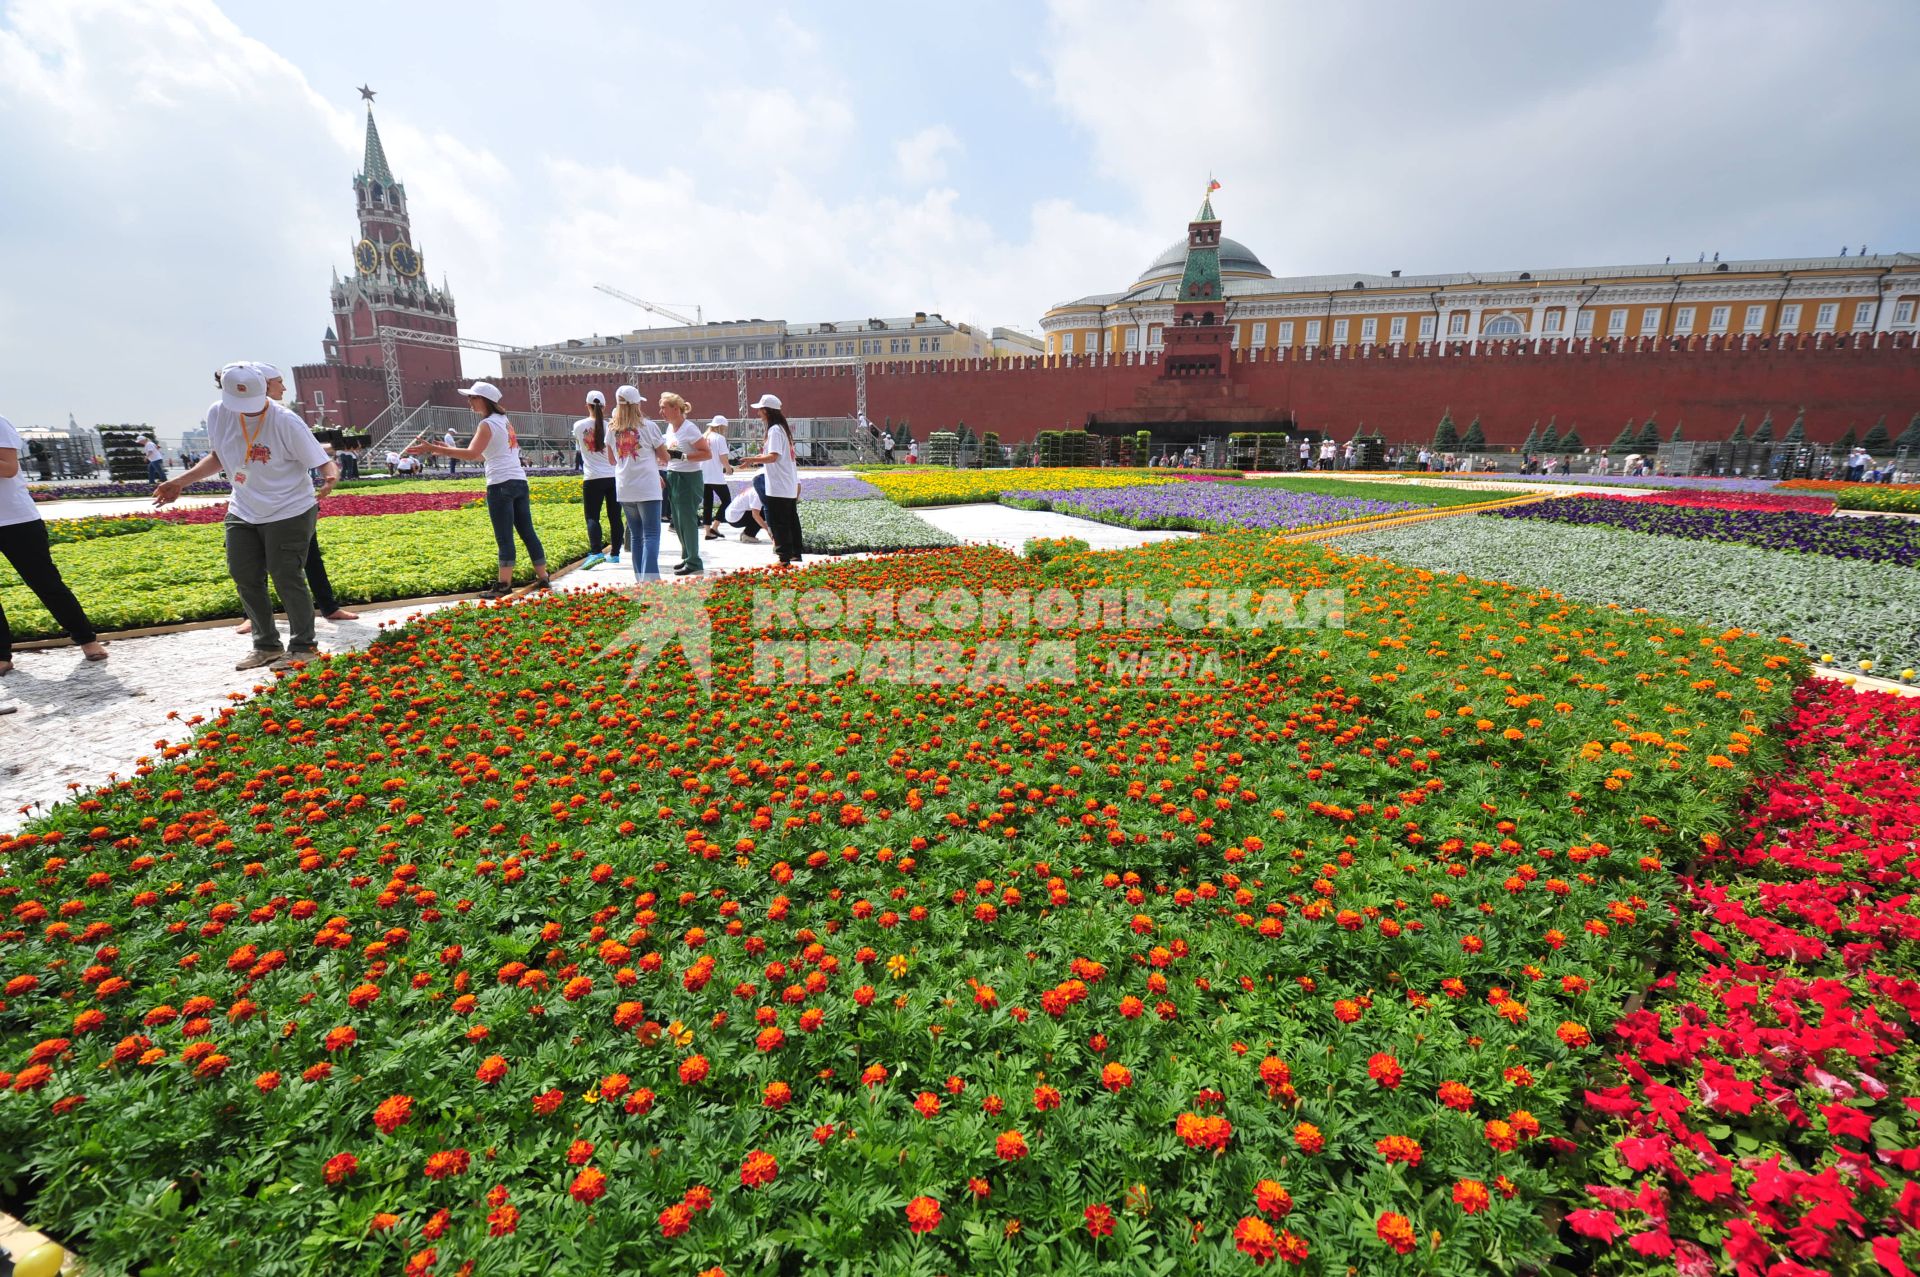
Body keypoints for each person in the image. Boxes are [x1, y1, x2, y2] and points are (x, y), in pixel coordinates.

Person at [157, 364, 337, 670]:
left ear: (264, 389)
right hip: (243, 507)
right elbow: (219, 456)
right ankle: (265, 645)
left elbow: (321, 460)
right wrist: (180, 481)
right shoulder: (219, 413)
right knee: (243, 574)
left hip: (290, 508)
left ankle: (303, 646)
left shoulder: (286, 420)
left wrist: (330, 479)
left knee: (285, 574)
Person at [224, 365, 359, 637]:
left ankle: (328, 606)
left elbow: (304, 449)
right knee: (251, 564)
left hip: (292, 504)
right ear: (262, 385)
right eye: (278, 382)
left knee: (308, 557)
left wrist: (330, 462)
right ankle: (252, 617)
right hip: (249, 502)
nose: (283, 388)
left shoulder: (284, 417)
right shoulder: (230, 415)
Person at [405, 381, 549, 599]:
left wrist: (433, 448)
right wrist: (446, 451)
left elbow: (473, 455)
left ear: (484, 400)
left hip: (500, 484)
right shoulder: (504, 421)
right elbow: (483, 454)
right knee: (527, 531)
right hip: (519, 481)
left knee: (504, 536)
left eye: (472, 397)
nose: (469, 402)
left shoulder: (487, 424)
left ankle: (503, 584)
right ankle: (543, 576)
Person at [0, 410, 109, 681]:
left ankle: (86, 639)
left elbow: (8, 467)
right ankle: (2, 655)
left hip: (16, 519)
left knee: (46, 583)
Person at [607, 385, 666, 582]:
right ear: (637, 404)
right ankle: (650, 580)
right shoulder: (648, 426)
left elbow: (612, 460)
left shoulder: (612, 428)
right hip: (647, 487)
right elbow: (664, 457)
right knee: (651, 534)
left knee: (636, 535)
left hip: (625, 487)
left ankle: (640, 579)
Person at [736, 393, 802, 566]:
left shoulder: (774, 431)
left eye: (760, 410)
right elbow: (772, 456)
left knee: (779, 522)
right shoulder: (782, 429)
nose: (758, 413)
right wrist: (754, 460)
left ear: (766, 411)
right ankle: (795, 553)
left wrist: (752, 459)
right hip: (787, 483)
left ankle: (783, 558)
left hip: (778, 485)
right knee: (790, 520)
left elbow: (772, 457)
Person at [657, 393, 710, 575]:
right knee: (678, 521)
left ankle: (694, 562)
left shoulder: (690, 429)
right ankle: (687, 556)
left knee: (687, 521)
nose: (661, 411)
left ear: (676, 409)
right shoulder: (671, 429)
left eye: (664, 407)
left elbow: (706, 453)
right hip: (673, 475)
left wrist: (683, 456)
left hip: (688, 478)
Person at [575, 391, 623, 569]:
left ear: (587, 405)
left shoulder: (579, 426)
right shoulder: (612, 426)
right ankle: (615, 554)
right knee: (615, 516)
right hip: (613, 476)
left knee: (592, 517)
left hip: (592, 477)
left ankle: (596, 553)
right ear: (604, 406)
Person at [700, 416, 734, 541]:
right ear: (721, 426)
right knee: (727, 500)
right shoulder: (720, 438)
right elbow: (723, 457)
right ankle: (715, 526)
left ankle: (708, 531)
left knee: (707, 503)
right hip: (716, 475)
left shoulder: (704, 436)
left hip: (703, 473)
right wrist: (728, 468)